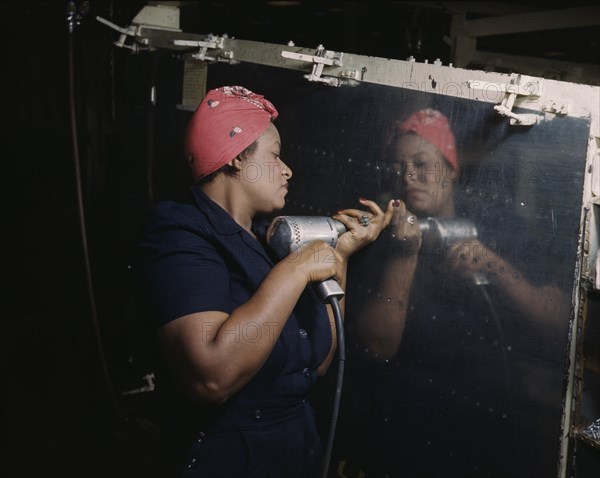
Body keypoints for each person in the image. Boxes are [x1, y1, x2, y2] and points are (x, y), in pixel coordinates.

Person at [137, 85, 397, 478]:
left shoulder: (263, 240)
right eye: (275, 156)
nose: (287, 169)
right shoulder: (181, 234)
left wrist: (339, 256)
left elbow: (321, 363)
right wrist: (296, 270)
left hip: (294, 450)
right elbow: (211, 377)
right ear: (238, 159)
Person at [341, 108, 569, 477]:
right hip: (404, 427)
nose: (409, 176)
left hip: (487, 425)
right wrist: (404, 254)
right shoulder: (378, 238)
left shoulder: (497, 224)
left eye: (422, 163)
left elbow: (559, 320)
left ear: (451, 169)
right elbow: (377, 345)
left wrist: (494, 266)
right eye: (399, 166)